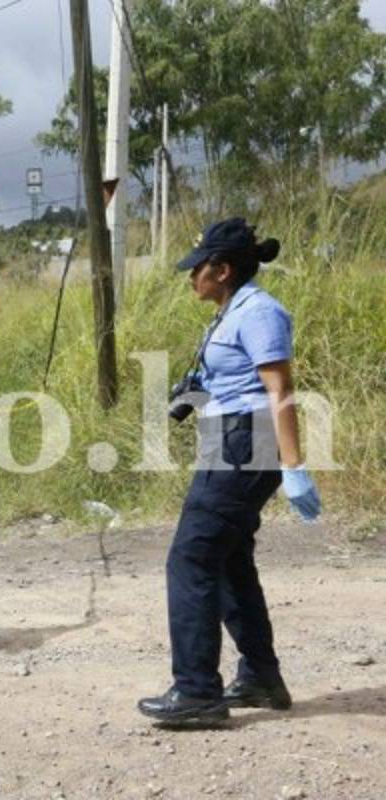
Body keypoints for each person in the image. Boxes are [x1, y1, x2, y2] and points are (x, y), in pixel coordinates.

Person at [138, 218, 322, 725]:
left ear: (221, 269)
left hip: (249, 439)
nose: (190, 277)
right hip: (229, 437)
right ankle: (261, 678)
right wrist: (194, 391)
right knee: (227, 559)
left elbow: (278, 390)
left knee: (191, 558)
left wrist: (293, 466)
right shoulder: (229, 312)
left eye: (196, 268)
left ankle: (197, 692)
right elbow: (232, 378)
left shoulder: (260, 312)